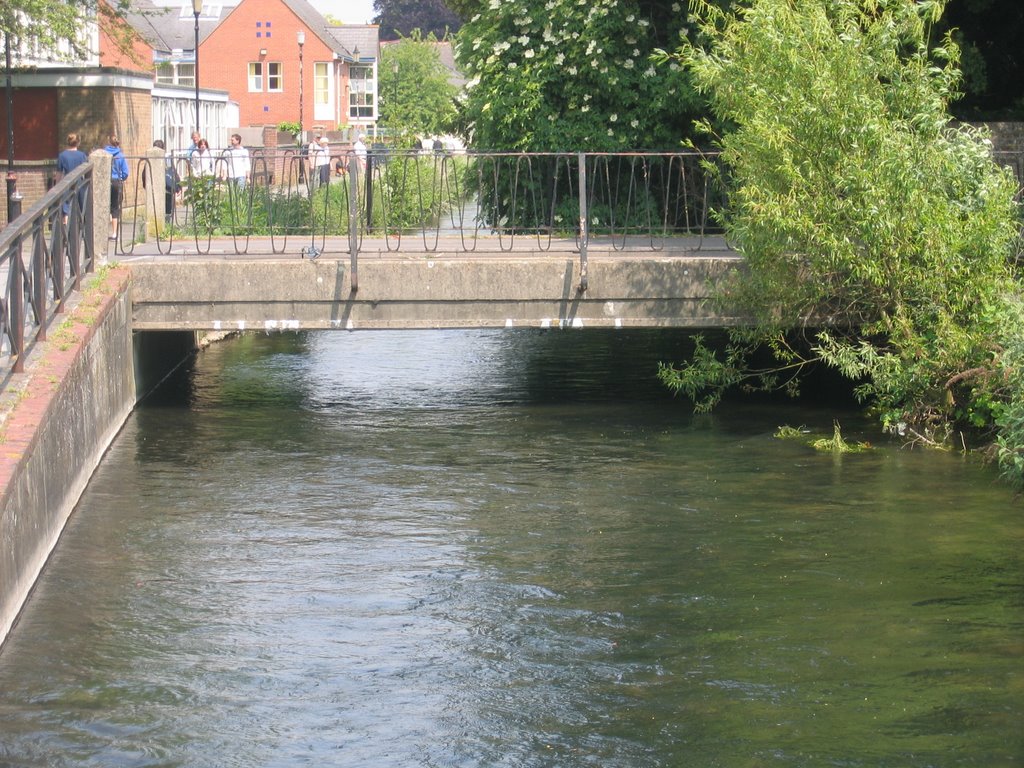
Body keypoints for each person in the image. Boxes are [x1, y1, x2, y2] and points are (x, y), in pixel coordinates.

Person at [56, 133, 88, 223]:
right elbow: (86, 172)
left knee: (66, 208)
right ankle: (81, 229)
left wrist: (57, 187)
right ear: (78, 142)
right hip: (80, 184)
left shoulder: (62, 155)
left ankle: (66, 231)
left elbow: (59, 173)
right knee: (81, 207)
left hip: (67, 183)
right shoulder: (82, 155)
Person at [104, 134, 129, 241]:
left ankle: (103, 232)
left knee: (104, 207)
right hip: (117, 182)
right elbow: (126, 172)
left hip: (105, 181)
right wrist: (121, 178)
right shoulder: (121, 155)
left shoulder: (104, 154)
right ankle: (114, 233)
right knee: (115, 207)